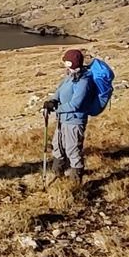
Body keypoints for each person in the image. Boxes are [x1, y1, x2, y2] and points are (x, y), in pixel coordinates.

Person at [44, 49, 96, 186]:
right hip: (62, 119)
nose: (65, 66)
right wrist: (52, 101)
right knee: (58, 145)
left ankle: (75, 183)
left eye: (67, 63)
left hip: (74, 121)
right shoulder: (69, 77)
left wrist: (57, 108)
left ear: (73, 64)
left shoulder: (83, 82)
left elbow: (75, 104)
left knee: (73, 150)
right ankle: (57, 174)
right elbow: (59, 91)